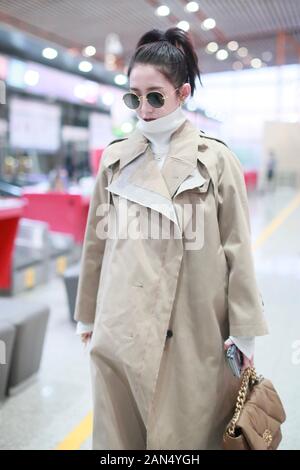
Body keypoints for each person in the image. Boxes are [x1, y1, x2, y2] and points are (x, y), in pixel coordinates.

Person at [74, 27, 268, 450]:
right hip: (120, 325)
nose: (143, 108)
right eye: (133, 97)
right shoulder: (115, 160)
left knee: (185, 435)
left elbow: (238, 248)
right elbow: (96, 244)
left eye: (155, 96)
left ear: (181, 93)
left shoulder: (216, 160)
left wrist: (246, 329)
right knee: (121, 437)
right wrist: (88, 313)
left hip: (193, 327)